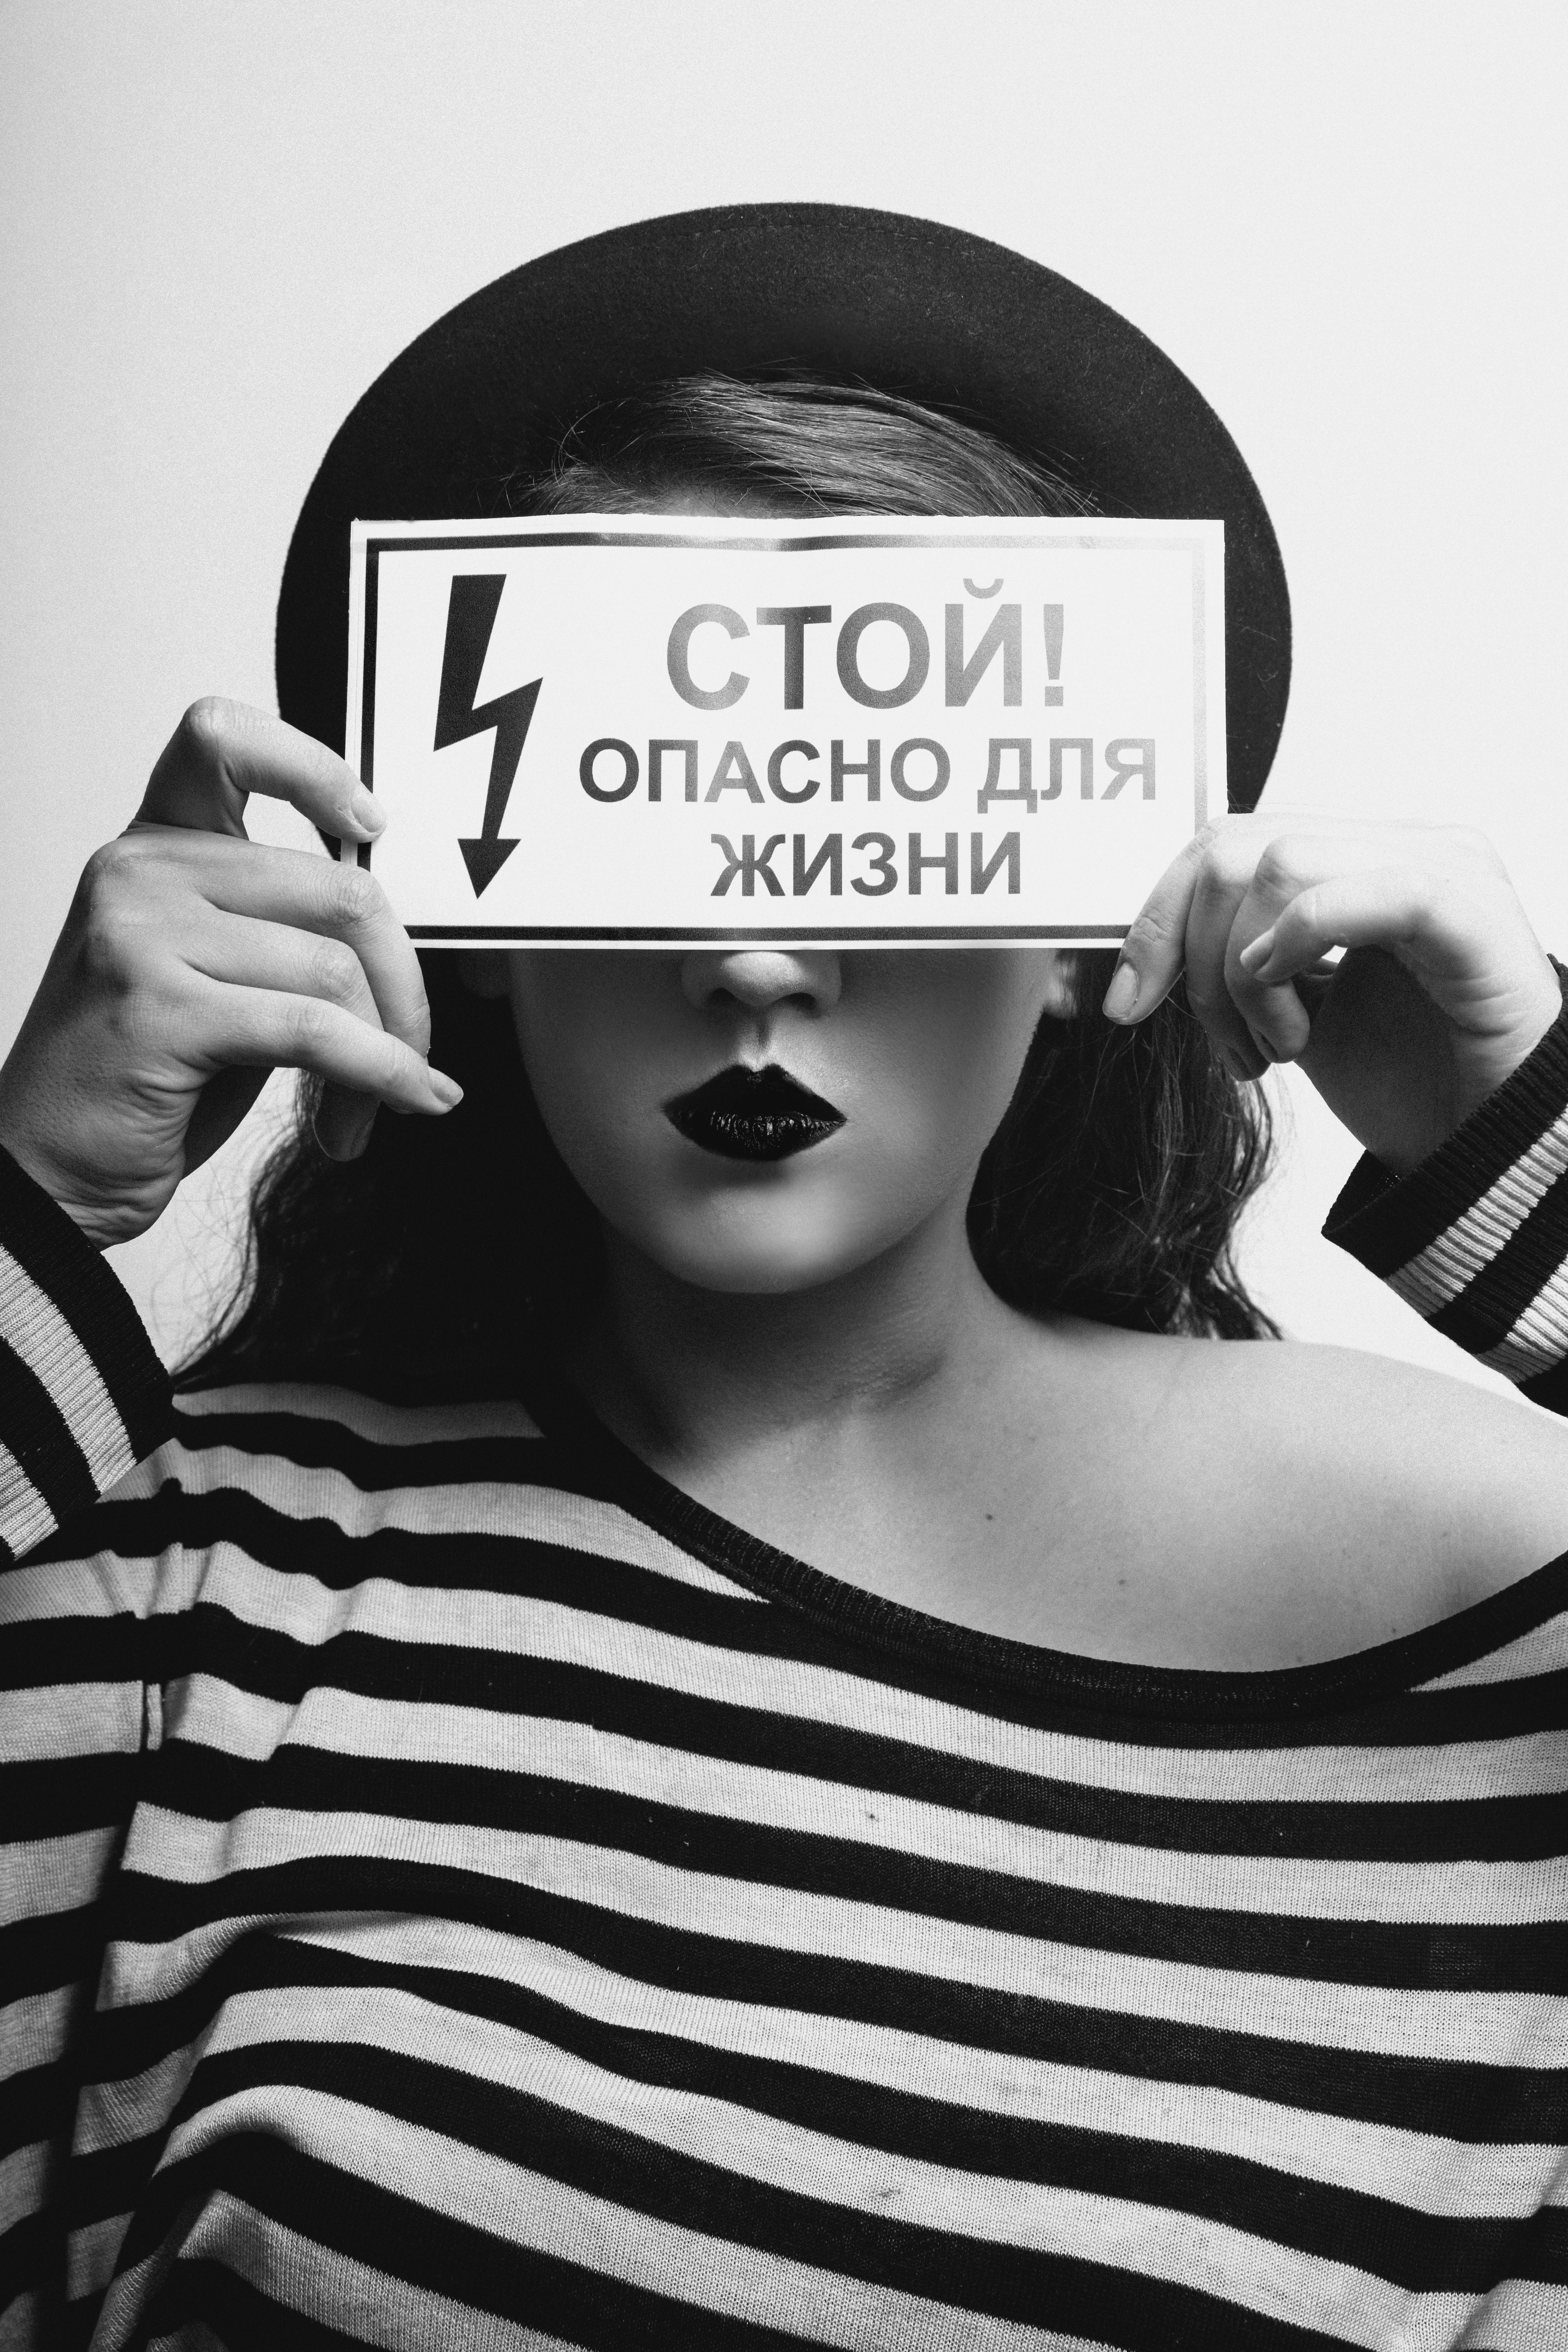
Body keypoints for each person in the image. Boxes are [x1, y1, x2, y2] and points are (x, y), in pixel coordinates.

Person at [4, 209, 1568, 2352]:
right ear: (476, 903)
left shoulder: (1485, 1598)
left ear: (1072, 909)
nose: (756, 960)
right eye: (655, 822)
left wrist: (1539, 1144)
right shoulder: (210, 1578)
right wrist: (29, 1215)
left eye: (864, 836)